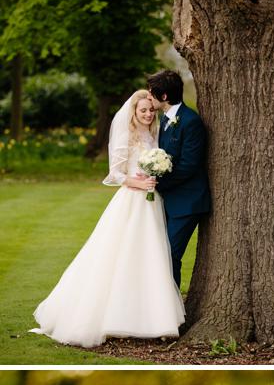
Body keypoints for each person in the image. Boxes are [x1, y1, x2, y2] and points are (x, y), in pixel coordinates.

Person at [33, 90, 184, 348]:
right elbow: (115, 174)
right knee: (120, 255)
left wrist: (155, 177)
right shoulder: (127, 135)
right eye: (143, 111)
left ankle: (152, 318)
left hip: (152, 202)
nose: (148, 114)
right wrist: (139, 182)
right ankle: (116, 318)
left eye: (151, 110)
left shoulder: (155, 134)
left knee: (151, 256)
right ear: (134, 112)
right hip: (132, 202)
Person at [147, 64, 212, 292]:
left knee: (170, 255)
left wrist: (158, 183)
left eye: (151, 93)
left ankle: (173, 313)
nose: (149, 98)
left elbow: (188, 166)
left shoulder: (190, 121)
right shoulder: (164, 120)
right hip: (168, 200)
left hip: (188, 202)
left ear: (163, 96)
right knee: (158, 254)